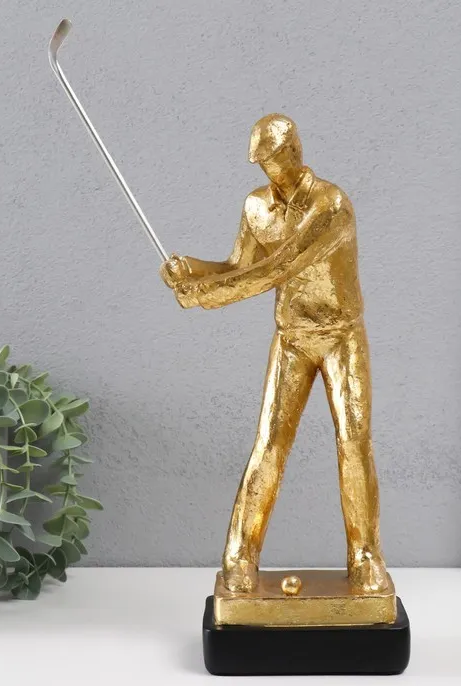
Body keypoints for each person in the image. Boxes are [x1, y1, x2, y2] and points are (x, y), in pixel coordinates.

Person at [160, 114, 388, 594]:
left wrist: (206, 297)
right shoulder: (255, 207)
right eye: (264, 161)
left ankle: (366, 556)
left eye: (277, 156)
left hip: (340, 336)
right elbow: (238, 266)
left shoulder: (331, 204)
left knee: (353, 441)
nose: (272, 167)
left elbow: (278, 269)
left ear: (296, 150)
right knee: (269, 444)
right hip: (292, 338)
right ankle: (240, 558)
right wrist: (191, 270)